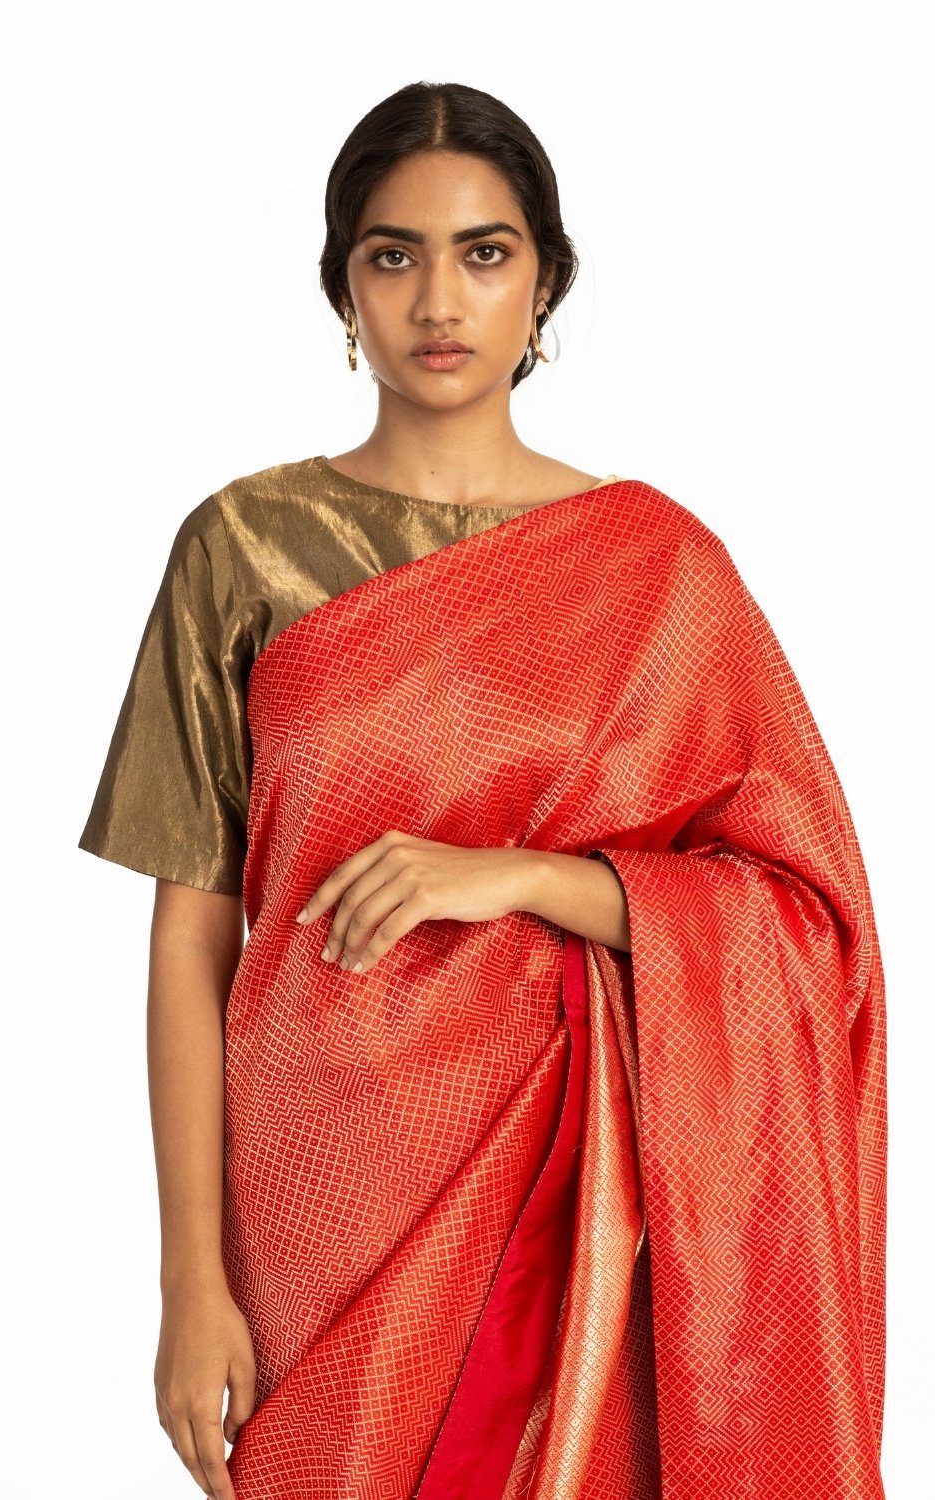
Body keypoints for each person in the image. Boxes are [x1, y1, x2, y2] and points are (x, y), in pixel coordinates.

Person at [78, 80, 887, 1500]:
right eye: (393, 255)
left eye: (485, 253)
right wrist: (189, 1280)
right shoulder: (240, 551)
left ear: (545, 284)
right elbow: (190, 939)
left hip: (579, 1200)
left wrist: (519, 876)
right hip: (319, 1191)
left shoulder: (655, 570)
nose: (438, 300)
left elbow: (805, 921)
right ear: (342, 286)